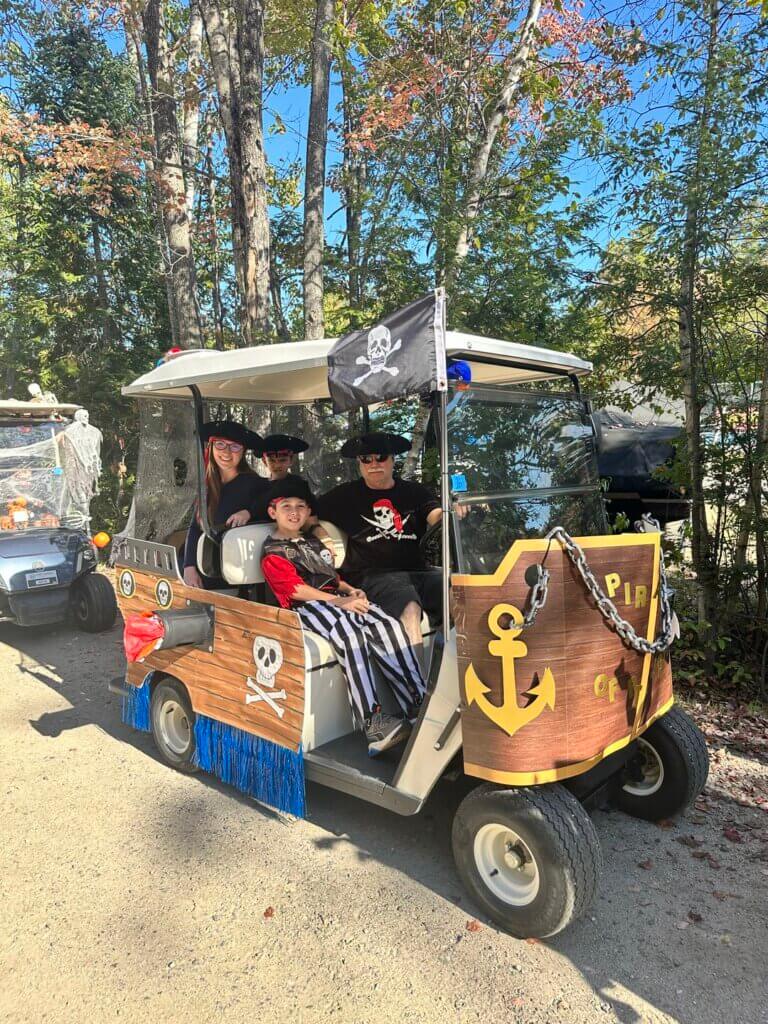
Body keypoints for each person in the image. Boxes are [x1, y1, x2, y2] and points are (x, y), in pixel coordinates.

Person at [261, 477, 426, 756]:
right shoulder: (273, 551)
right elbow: (295, 590)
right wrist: (339, 601)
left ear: (308, 511)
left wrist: (350, 591)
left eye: (301, 506)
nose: (294, 512)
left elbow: (331, 577)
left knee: (386, 624)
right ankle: (373, 722)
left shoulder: (311, 541)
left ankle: (416, 702)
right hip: (306, 607)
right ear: (272, 511)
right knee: (350, 635)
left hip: (335, 599)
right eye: (286, 506)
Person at [315, 431, 443, 645]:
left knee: (457, 590)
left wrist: (454, 513)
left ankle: (467, 659)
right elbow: (307, 513)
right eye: (366, 459)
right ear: (359, 463)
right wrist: (321, 534)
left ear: (393, 460)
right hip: (371, 575)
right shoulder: (344, 495)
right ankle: (412, 667)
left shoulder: (414, 492)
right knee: (409, 607)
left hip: (417, 570)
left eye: (381, 457)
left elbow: (436, 516)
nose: (373, 464)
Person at [183, 420, 269, 590]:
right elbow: (195, 527)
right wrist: (189, 566)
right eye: (220, 444)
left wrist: (249, 512)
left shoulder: (255, 483)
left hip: (237, 573)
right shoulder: (206, 485)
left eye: (235, 446)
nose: (227, 452)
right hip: (205, 566)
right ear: (211, 447)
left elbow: (273, 507)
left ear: (243, 451)